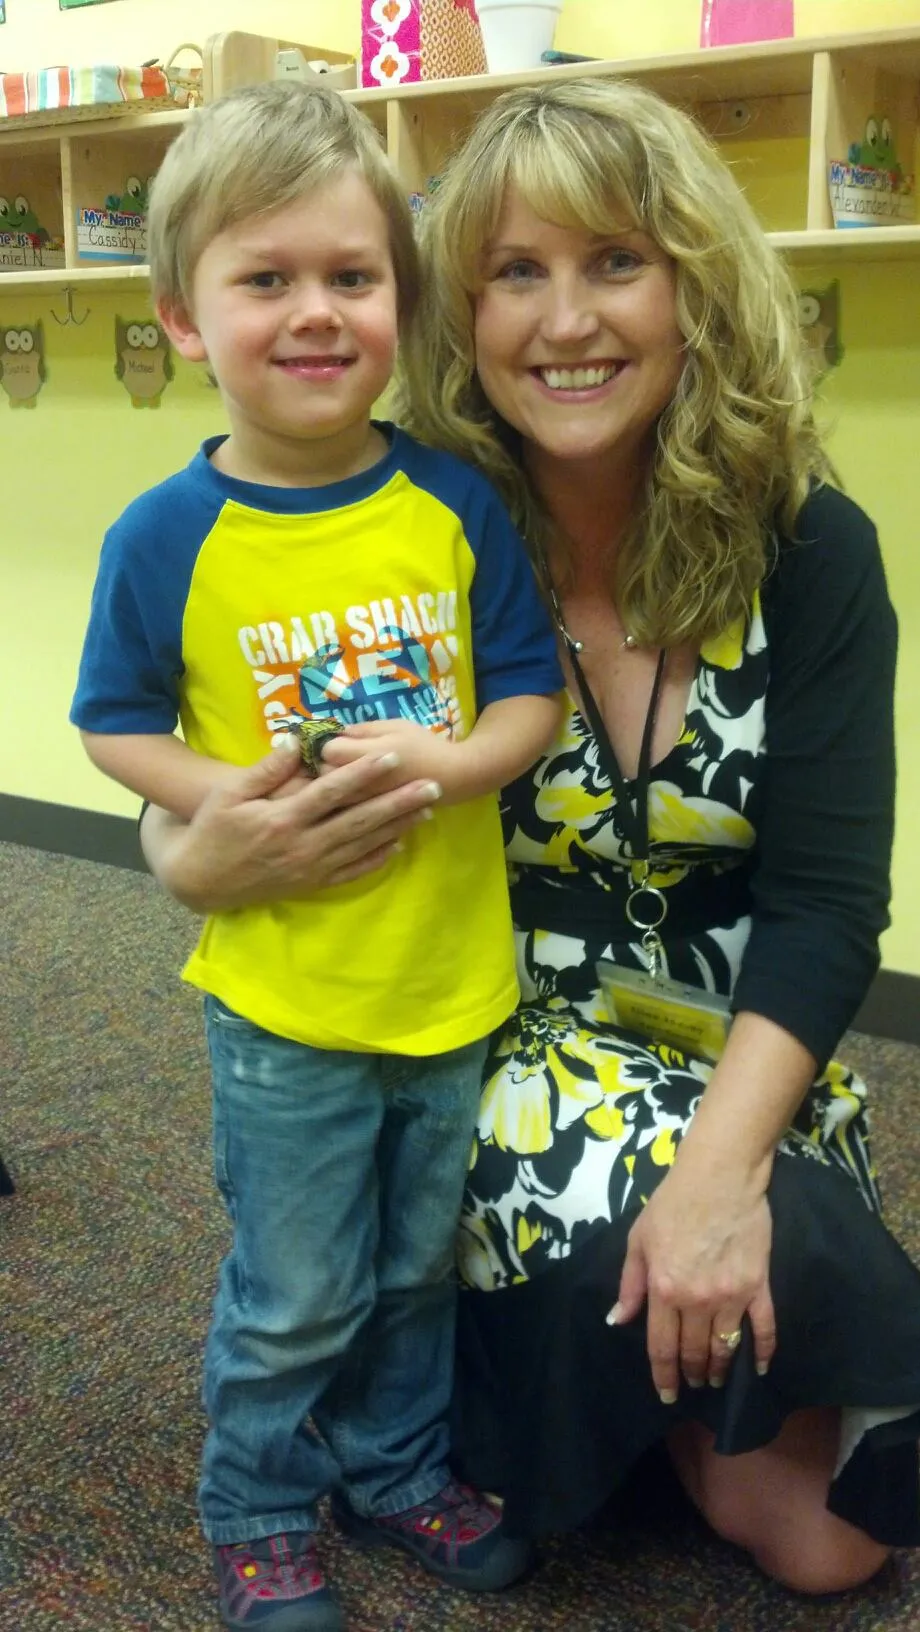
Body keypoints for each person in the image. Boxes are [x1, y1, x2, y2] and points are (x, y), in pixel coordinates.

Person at [140, 76, 920, 1599]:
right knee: (796, 1513)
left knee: (829, 1545)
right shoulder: (407, 512)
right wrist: (185, 859)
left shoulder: (813, 547)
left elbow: (830, 905)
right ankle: (558, 1372)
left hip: (733, 1042)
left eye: (616, 262)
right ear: (462, 310)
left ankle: (637, 1341)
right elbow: (222, 752)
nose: (567, 321)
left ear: (692, 282)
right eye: (515, 272)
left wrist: (717, 1176)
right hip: (476, 1032)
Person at [70, 80, 564, 1632]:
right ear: (184, 316)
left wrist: (455, 757)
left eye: (352, 278)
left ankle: (394, 1464)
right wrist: (238, 805)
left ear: (403, 307)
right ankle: (259, 1502)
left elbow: (531, 698)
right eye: (265, 279)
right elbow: (113, 724)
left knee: (417, 1272)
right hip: (283, 1003)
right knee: (294, 1292)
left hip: (445, 981)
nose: (314, 313)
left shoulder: (454, 502)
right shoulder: (168, 535)